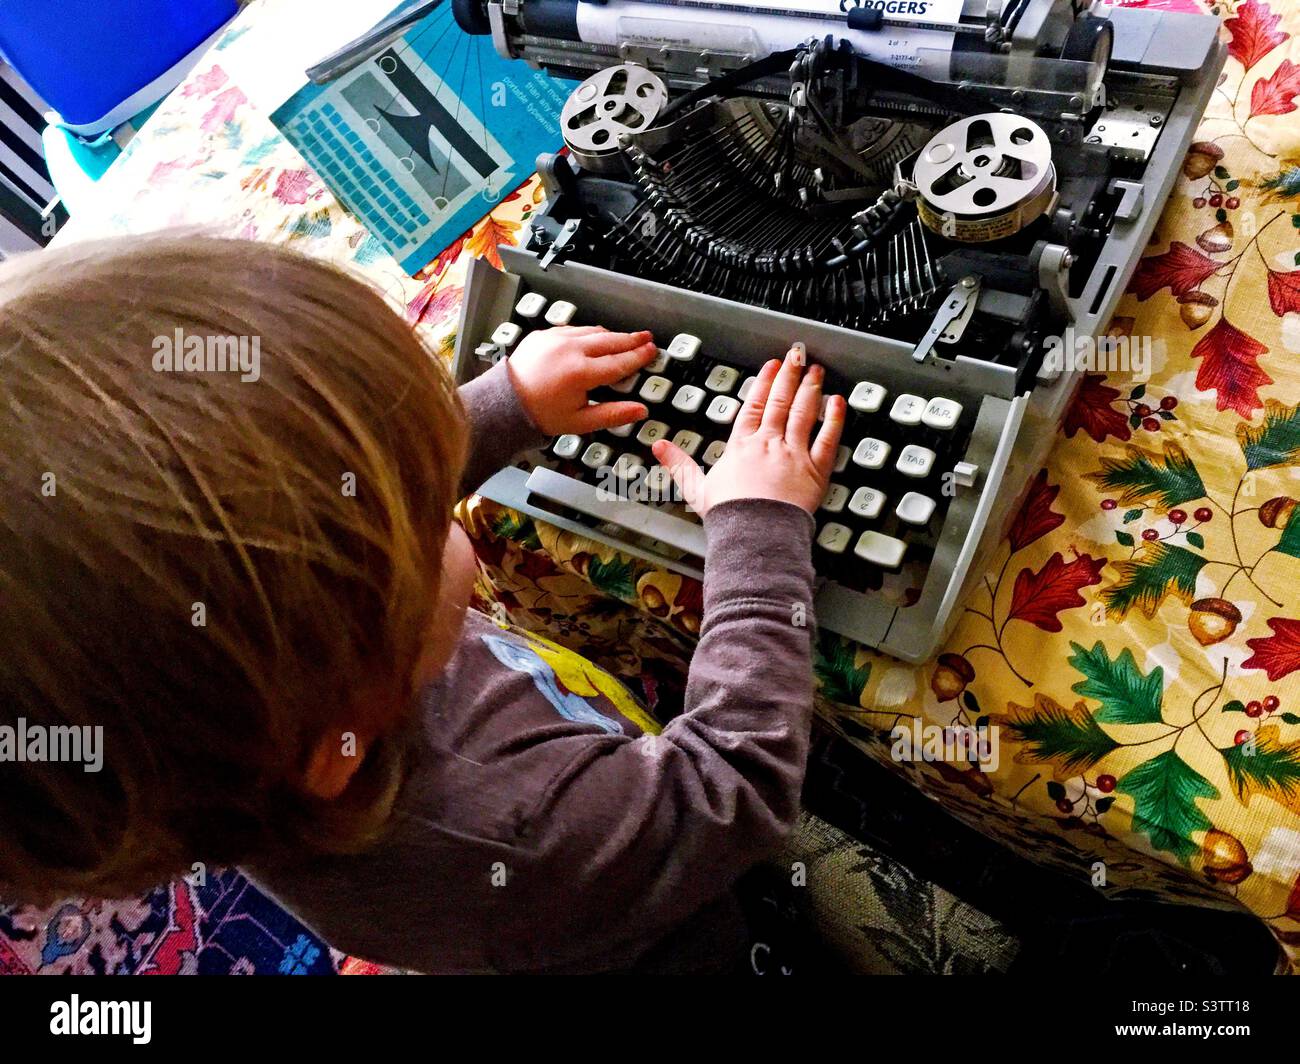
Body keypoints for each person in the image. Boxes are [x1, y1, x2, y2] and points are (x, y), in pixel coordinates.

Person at [0, 235, 845, 973]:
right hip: (683, 939)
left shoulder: (256, 716)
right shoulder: (517, 836)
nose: (438, 483)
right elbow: (733, 785)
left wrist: (504, 403)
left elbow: (335, 514)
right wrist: (759, 528)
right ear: (337, 725)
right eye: (416, 501)